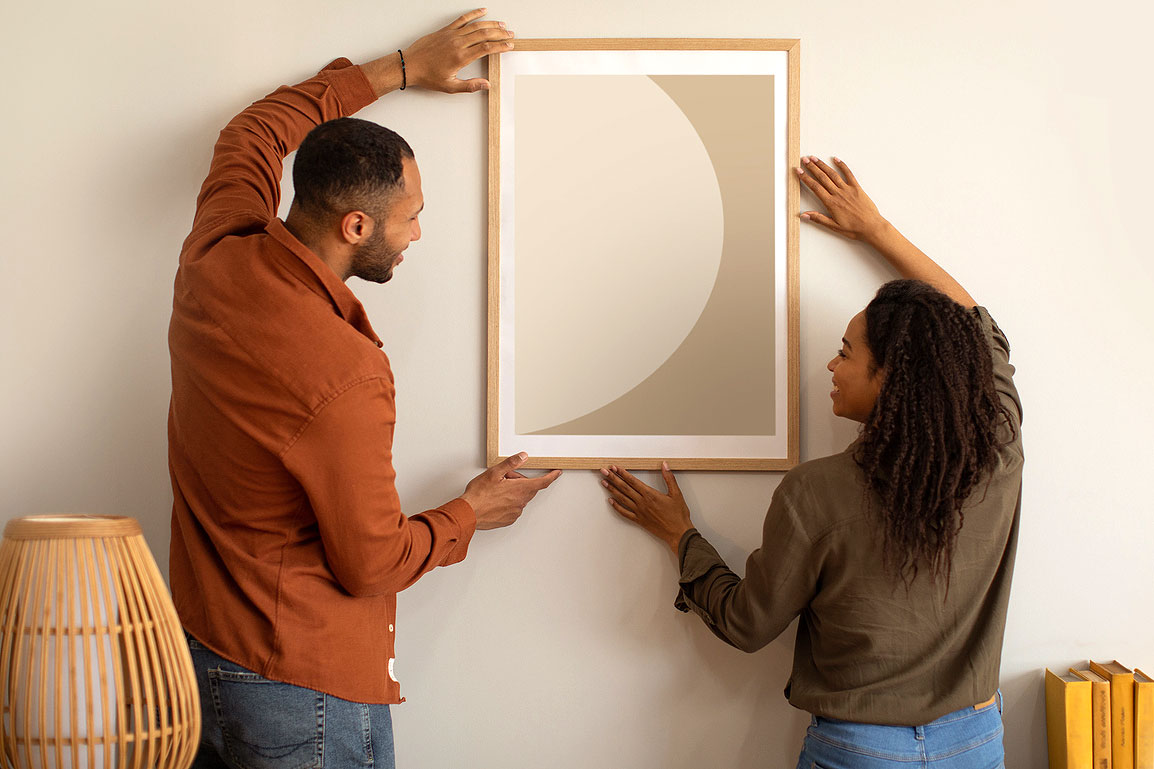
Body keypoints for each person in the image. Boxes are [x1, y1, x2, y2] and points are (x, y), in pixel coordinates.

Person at [167, 11, 560, 768]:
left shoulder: (216, 251)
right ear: (355, 225)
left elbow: (252, 131)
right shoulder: (345, 372)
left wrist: (403, 67)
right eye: (410, 219)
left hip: (203, 659)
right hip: (300, 693)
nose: (416, 234)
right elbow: (371, 563)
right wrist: (469, 512)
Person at [601, 155, 1022, 768]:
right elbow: (977, 330)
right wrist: (876, 229)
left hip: (861, 751)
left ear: (891, 379)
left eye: (847, 352)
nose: (831, 364)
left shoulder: (817, 493)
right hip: (975, 743)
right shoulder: (1001, 448)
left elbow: (748, 625)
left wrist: (679, 535)